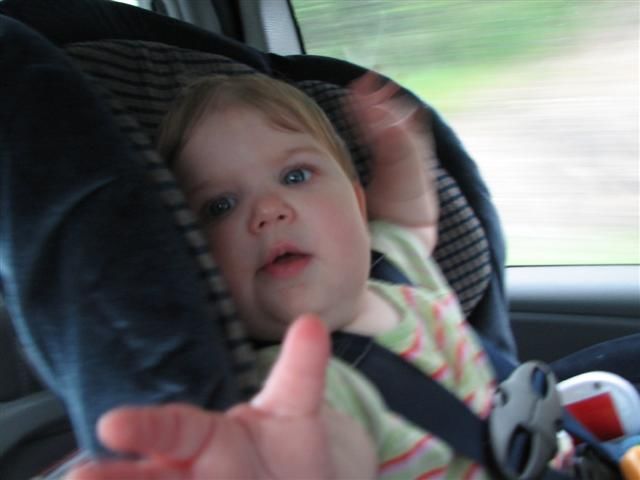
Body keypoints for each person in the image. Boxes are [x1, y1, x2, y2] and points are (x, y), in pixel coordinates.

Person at [69, 72, 570, 479]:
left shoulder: (396, 268)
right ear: (198, 263)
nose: (267, 210)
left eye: (295, 176)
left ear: (357, 204)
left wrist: (400, 151)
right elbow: (320, 447)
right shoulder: (296, 385)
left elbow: (412, 219)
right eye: (220, 205)